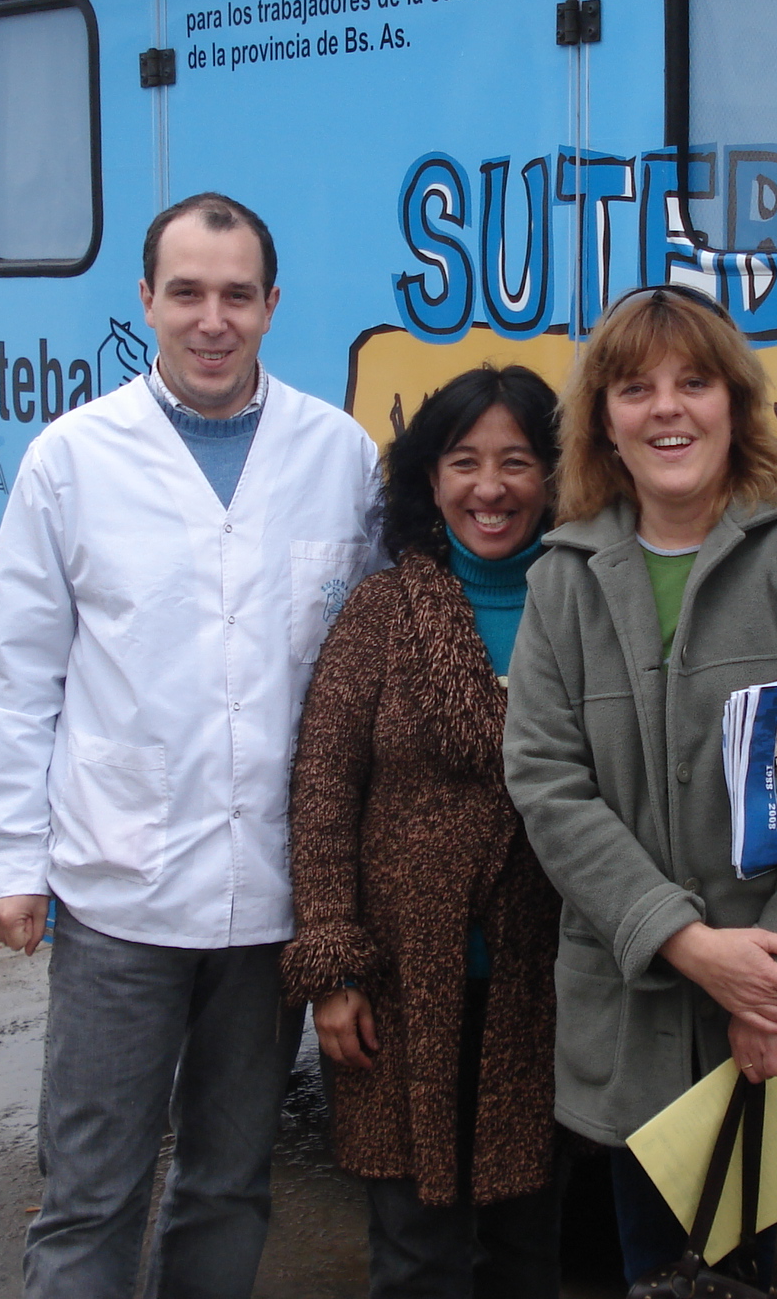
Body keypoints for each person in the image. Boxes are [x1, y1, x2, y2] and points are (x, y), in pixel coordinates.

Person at [0, 191, 384, 1299]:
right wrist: (13, 859)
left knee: (229, 1182)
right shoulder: (72, 460)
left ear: (271, 305)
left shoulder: (337, 456)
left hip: (272, 901)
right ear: (147, 299)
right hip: (121, 891)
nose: (212, 320)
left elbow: (368, 660)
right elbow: (16, 675)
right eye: (187, 292)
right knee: (90, 1189)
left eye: (236, 296)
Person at [502, 285, 777, 1296]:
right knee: (661, 1277)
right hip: (643, 1023)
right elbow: (545, 780)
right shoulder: (562, 579)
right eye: (634, 389)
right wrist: (686, 943)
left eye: (694, 383)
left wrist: (773, 990)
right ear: (602, 421)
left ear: (735, 402)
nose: (666, 409)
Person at [282, 365, 567, 1299]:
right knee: (416, 1257)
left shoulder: (582, 604)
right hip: (399, 994)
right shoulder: (384, 612)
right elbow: (324, 790)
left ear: (555, 475)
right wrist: (333, 970)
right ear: (430, 479)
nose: (490, 488)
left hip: (547, 989)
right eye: (464, 462)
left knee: (528, 1254)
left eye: (516, 462)